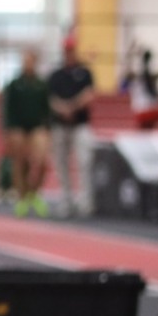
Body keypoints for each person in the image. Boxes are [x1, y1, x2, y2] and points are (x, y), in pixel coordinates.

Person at [46, 39, 96, 218]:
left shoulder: (84, 73)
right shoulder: (56, 75)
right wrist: (63, 109)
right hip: (60, 125)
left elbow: (89, 95)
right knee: (61, 163)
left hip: (80, 124)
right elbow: (50, 99)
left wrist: (72, 107)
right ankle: (66, 198)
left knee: (84, 161)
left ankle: (85, 201)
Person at [2, 50, 52, 218]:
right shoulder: (15, 85)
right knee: (20, 161)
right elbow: (8, 110)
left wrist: (47, 128)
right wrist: (9, 130)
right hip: (18, 126)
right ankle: (22, 196)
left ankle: (33, 193)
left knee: (42, 161)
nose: (27, 64)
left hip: (36, 125)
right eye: (25, 61)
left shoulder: (41, 85)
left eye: (30, 61)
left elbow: (47, 109)